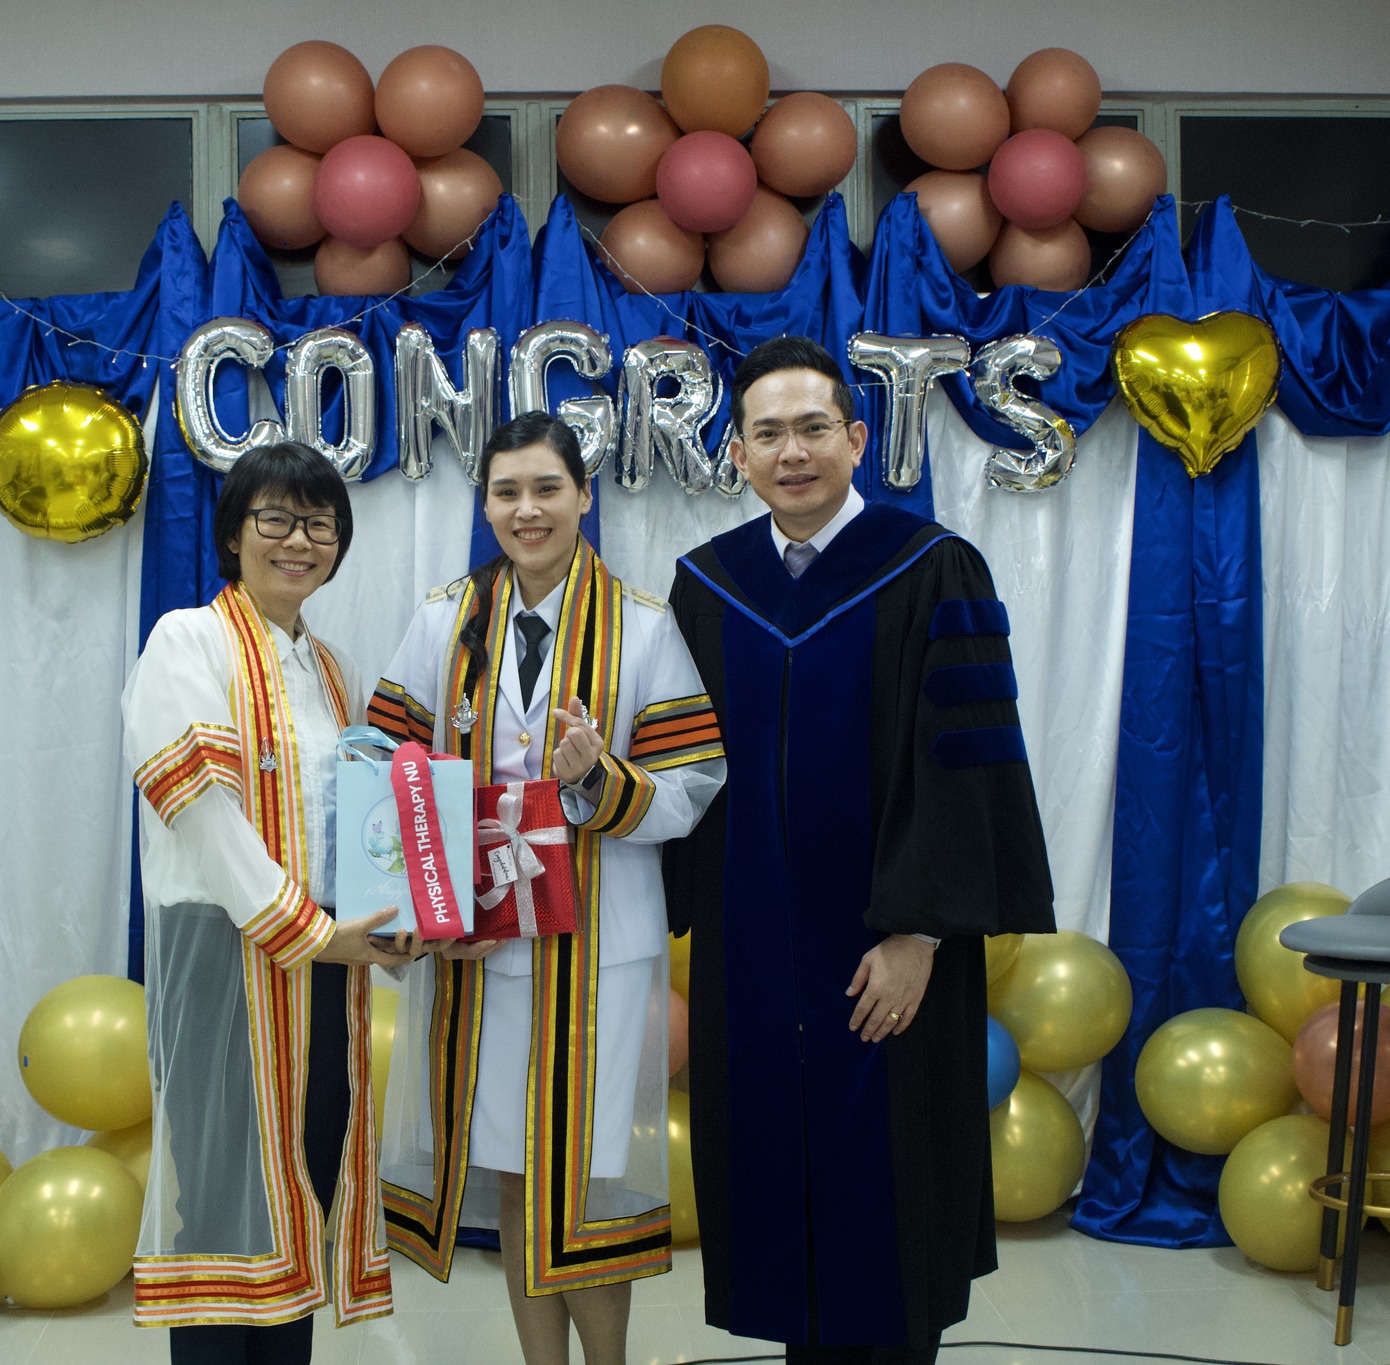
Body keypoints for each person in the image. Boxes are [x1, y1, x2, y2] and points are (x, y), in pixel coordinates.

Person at [661, 337, 1057, 1365]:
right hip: (753, 960)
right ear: (736, 455)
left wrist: (920, 933)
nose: (791, 452)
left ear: (857, 438)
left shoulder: (931, 568)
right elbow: (680, 769)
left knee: (890, 1223)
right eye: (766, 434)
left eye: (812, 429)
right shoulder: (707, 586)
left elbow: (967, 770)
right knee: (778, 1208)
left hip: (888, 952)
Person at [368, 411, 725, 1365]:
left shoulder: (644, 625)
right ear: (485, 506)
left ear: (585, 495)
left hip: (598, 949)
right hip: (479, 951)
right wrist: (420, 912)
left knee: (584, 1182)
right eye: (507, 492)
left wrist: (596, 778)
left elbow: (694, 785)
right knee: (517, 1170)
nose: (527, 510)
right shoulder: (445, 619)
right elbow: (387, 768)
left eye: (547, 488)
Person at [121, 441, 415, 1364]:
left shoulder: (332, 668)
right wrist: (310, 931)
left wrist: (398, 916)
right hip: (227, 956)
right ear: (232, 533)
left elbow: (358, 820)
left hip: (328, 960)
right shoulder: (187, 641)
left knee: (303, 1180)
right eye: (276, 518)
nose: (299, 541)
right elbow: (202, 812)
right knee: (222, 1201)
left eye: (320, 524)